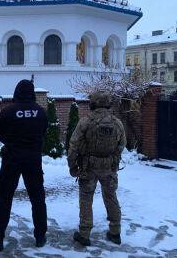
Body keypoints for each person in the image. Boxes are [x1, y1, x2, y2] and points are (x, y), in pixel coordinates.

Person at [0, 80, 48, 251]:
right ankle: (40, 236)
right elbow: (43, 132)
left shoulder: (8, 111)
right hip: (33, 160)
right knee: (37, 198)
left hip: (12, 159)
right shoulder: (41, 112)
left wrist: (12, 143)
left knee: (4, 198)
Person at [68, 91, 126, 247]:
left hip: (89, 167)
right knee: (111, 197)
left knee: (86, 199)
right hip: (109, 167)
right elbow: (122, 144)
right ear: (108, 104)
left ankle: (84, 234)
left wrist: (72, 166)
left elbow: (73, 146)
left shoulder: (85, 122)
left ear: (92, 103)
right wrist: (113, 159)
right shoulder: (117, 123)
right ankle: (115, 232)